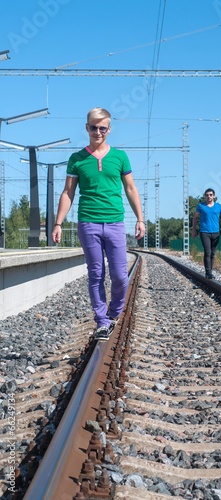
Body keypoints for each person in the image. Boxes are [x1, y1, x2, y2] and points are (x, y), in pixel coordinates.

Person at [52, 107, 145, 340]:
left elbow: (131, 189)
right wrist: (58, 223)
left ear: (109, 129)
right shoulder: (77, 159)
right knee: (96, 274)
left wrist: (140, 219)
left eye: (102, 128)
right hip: (88, 222)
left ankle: (113, 314)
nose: (98, 132)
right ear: (87, 128)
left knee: (120, 276)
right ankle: (102, 321)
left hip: (115, 223)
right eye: (93, 127)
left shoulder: (120, 156)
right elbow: (68, 193)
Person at [192, 188, 221, 279]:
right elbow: (195, 218)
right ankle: (208, 272)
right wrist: (194, 230)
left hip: (216, 232)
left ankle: (210, 270)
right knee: (208, 252)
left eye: (210, 195)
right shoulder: (201, 206)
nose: (209, 196)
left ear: (214, 196)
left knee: (213, 253)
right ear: (205, 196)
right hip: (204, 232)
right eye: (207, 195)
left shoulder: (219, 206)